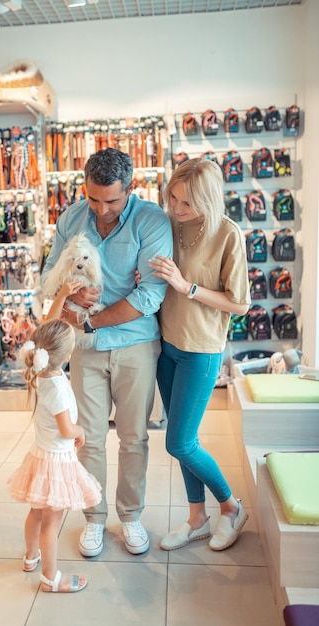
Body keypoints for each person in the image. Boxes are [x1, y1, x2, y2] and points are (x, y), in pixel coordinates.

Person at [40, 147, 173, 557]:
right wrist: (72, 293)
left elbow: (151, 292)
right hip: (85, 348)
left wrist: (93, 319)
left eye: (111, 200)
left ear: (130, 188)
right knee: (88, 438)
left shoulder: (151, 221)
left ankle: (130, 517)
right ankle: (94, 519)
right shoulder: (70, 218)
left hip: (134, 344)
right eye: (93, 198)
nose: (101, 208)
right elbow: (48, 277)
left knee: (134, 438)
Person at [149, 157, 251, 552]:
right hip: (167, 345)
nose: (177, 208)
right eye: (173, 197)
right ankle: (197, 519)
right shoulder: (167, 223)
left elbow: (239, 303)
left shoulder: (228, 234)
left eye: (187, 203)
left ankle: (231, 506)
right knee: (182, 436)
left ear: (207, 200)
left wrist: (185, 286)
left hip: (202, 351)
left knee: (179, 442)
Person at [7, 298, 102, 592]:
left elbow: (46, 328)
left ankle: (30, 556)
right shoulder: (58, 386)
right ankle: (50, 579)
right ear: (68, 353)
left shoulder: (39, 374)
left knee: (36, 513)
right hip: (57, 462)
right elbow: (65, 429)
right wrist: (81, 429)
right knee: (51, 521)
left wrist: (61, 294)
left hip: (40, 455)